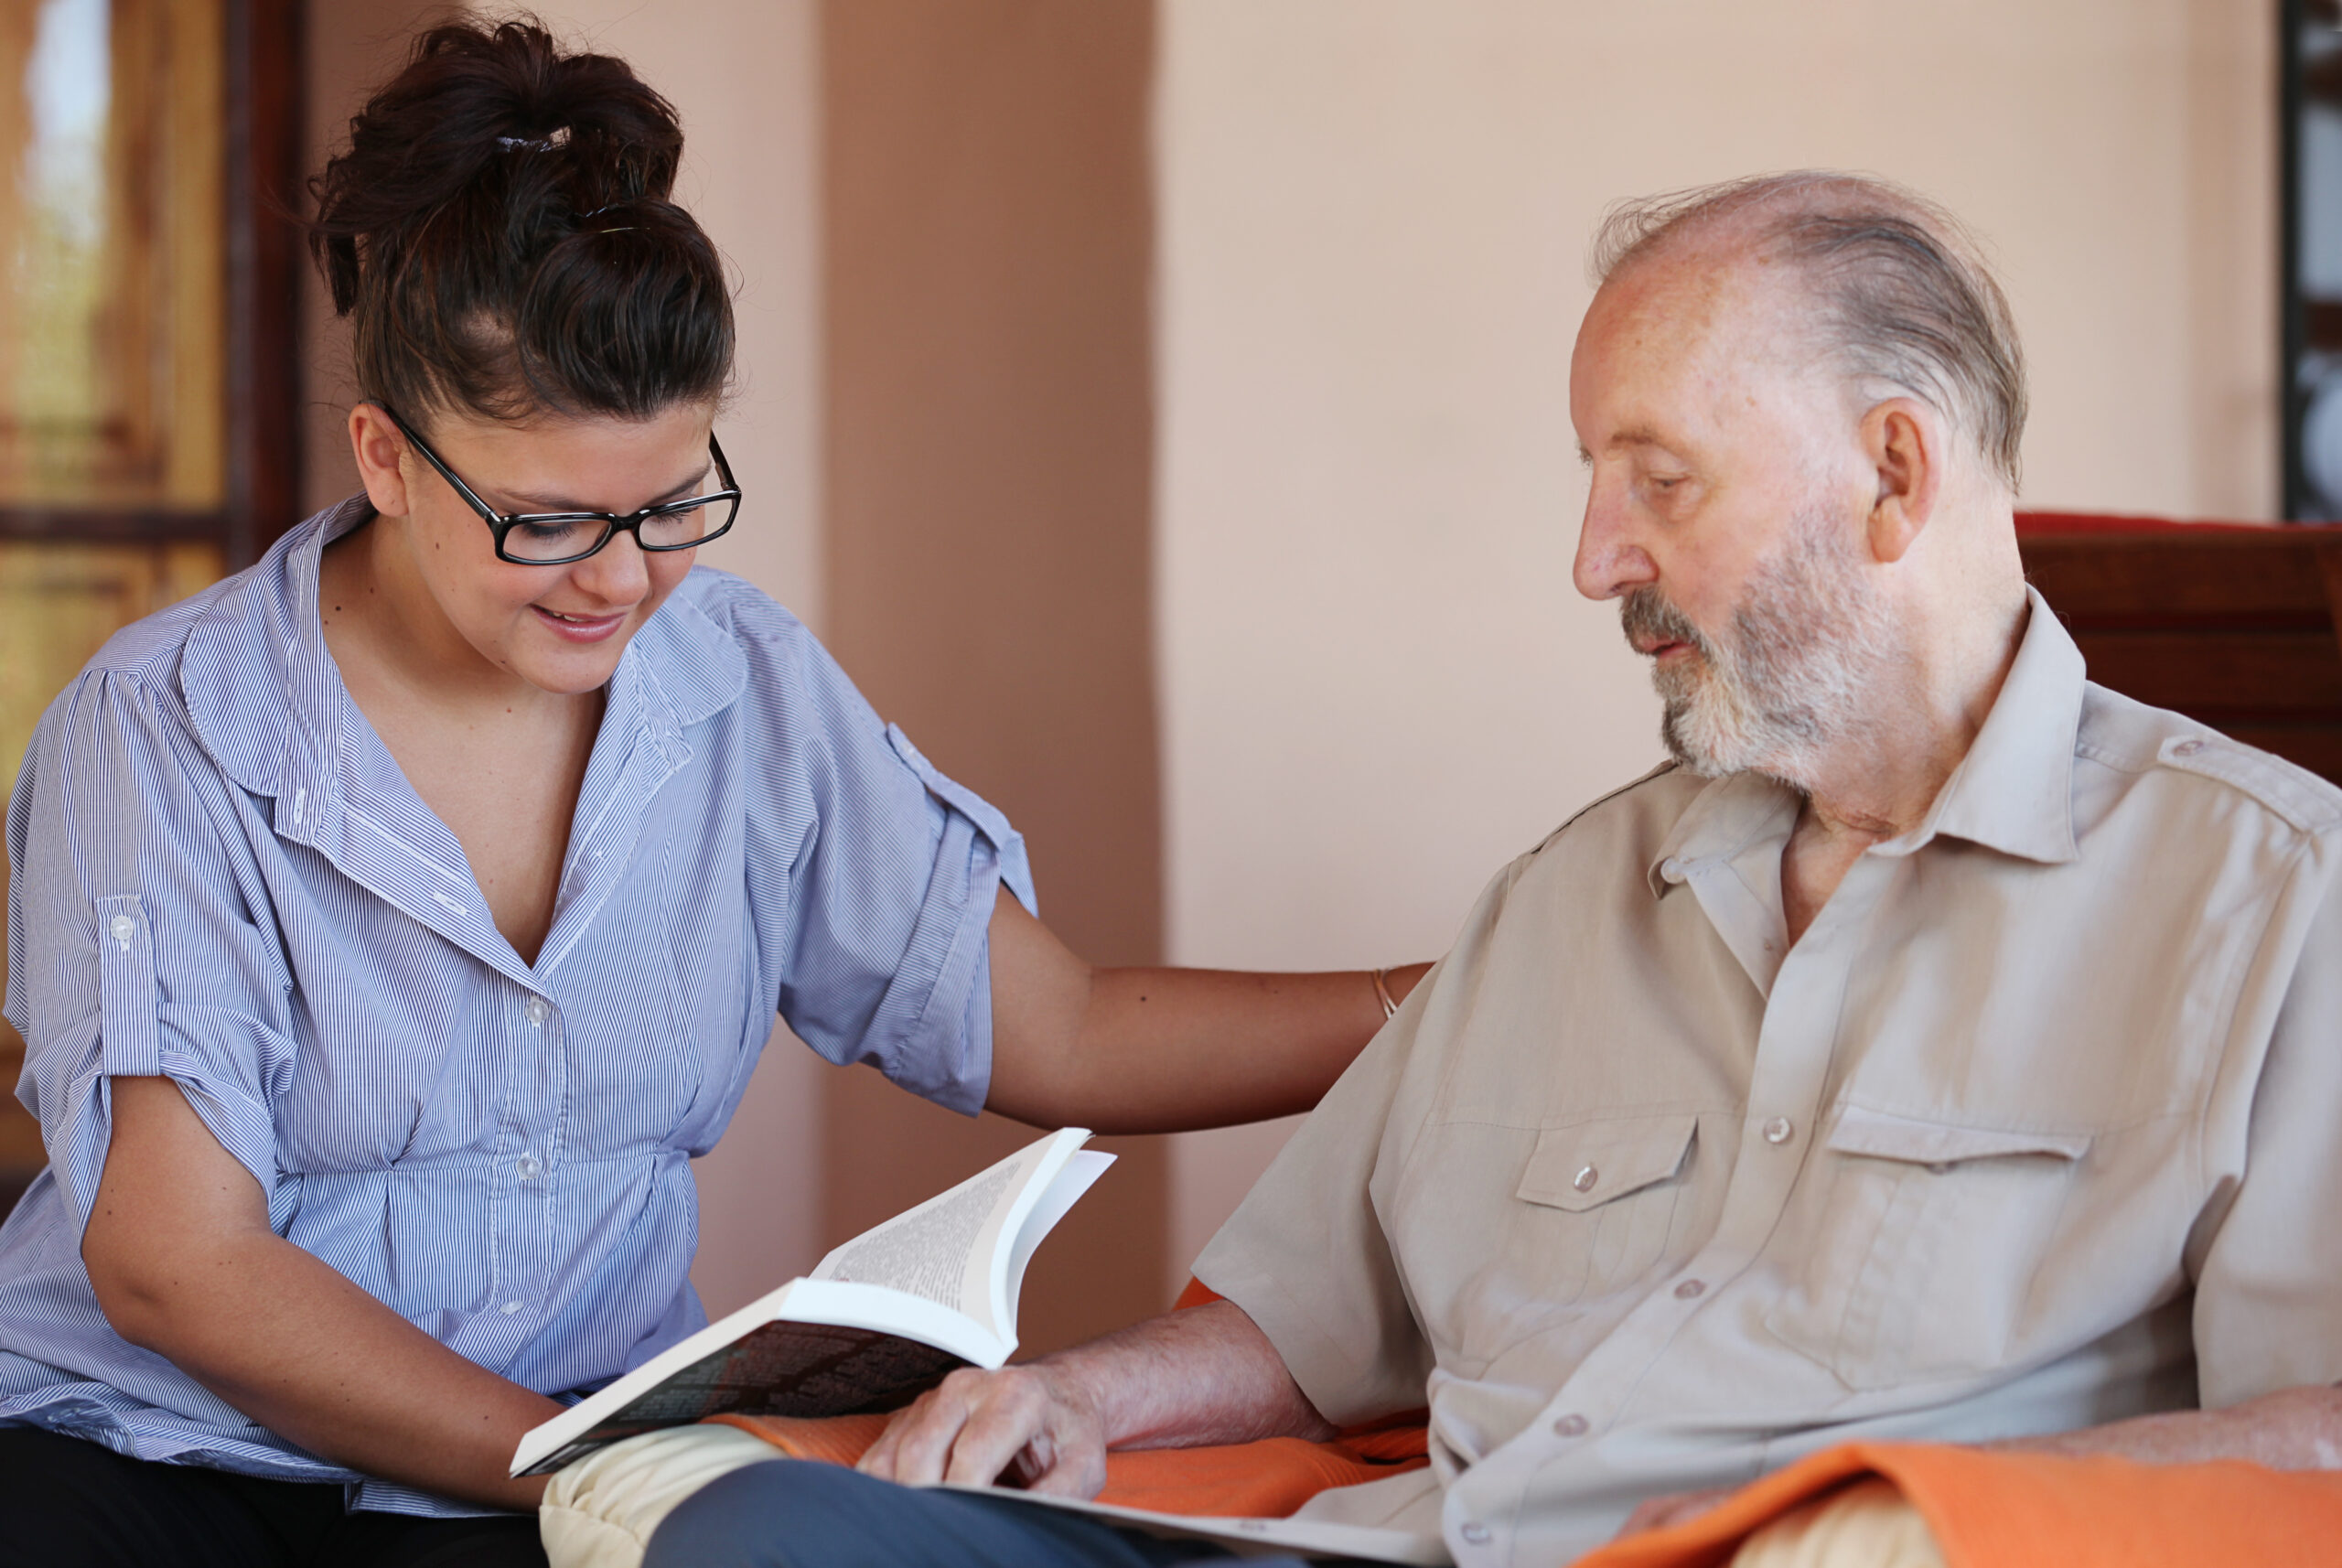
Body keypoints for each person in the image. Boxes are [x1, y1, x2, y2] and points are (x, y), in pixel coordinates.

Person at [637, 171, 2342, 1568]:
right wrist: (1088, 1396)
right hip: (1399, 1546)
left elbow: (2314, 1436)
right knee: (757, 1526)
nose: (1597, 557)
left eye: (1659, 478)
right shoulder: (1566, 898)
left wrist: (1928, 1523)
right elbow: (1311, 1313)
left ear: (1894, 475)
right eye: (1593, 479)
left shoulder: (2270, 908)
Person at [0, 20, 1426, 1568]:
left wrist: (1455, 996)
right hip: (158, 1452)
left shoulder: (739, 684)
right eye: (547, 521)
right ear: (390, 458)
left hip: (552, 1458)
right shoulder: (164, 727)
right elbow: (176, 1267)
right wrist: (574, 1471)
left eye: (672, 501)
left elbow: (1065, 1027)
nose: (623, 577)